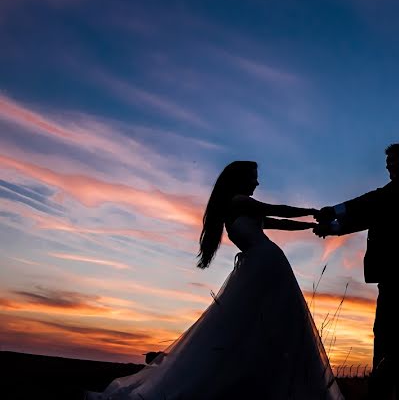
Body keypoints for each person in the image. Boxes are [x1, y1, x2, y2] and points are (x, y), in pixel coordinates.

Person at [87, 161, 342, 400]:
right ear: (241, 181)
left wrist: (311, 226)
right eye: (253, 179)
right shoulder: (239, 201)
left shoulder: (241, 209)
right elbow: (276, 210)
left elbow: (280, 222)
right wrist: (313, 212)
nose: (257, 184)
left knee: (259, 322)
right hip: (265, 264)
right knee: (265, 320)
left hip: (266, 264)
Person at [315, 142, 399, 400]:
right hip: (396, 272)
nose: (389, 166)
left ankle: (388, 392)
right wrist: (334, 227)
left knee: (393, 332)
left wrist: (336, 211)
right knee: (393, 332)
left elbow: (376, 201)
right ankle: (397, 392)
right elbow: (373, 215)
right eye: (387, 162)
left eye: (394, 160)